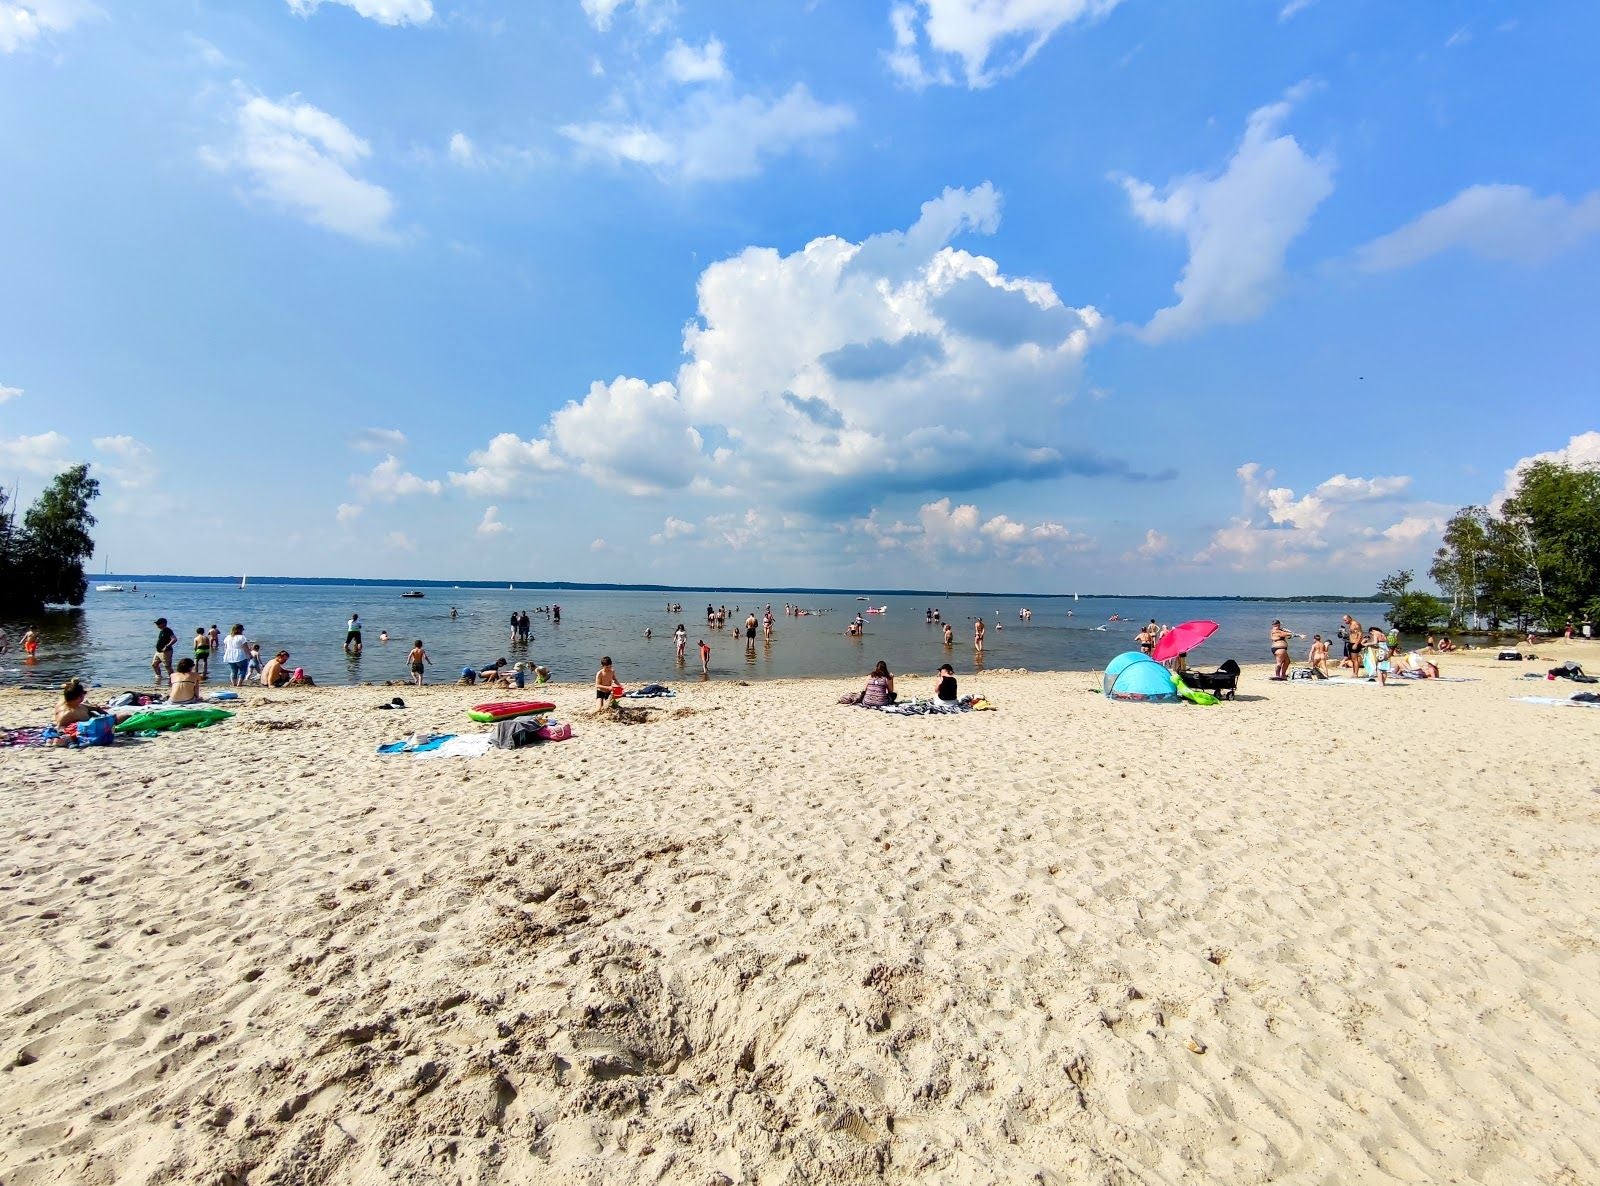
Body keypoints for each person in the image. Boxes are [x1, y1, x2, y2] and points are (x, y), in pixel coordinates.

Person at [152, 618, 177, 683]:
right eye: (157, 624)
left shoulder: (168, 630)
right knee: (154, 664)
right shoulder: (162, 631)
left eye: (158, 624)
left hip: (166, 652)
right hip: (158, 652)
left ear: (163, 624)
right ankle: (159, 678)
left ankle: (172, 680)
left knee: (167, 666)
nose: (157, 625)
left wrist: (167, 646)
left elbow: (174, 639)